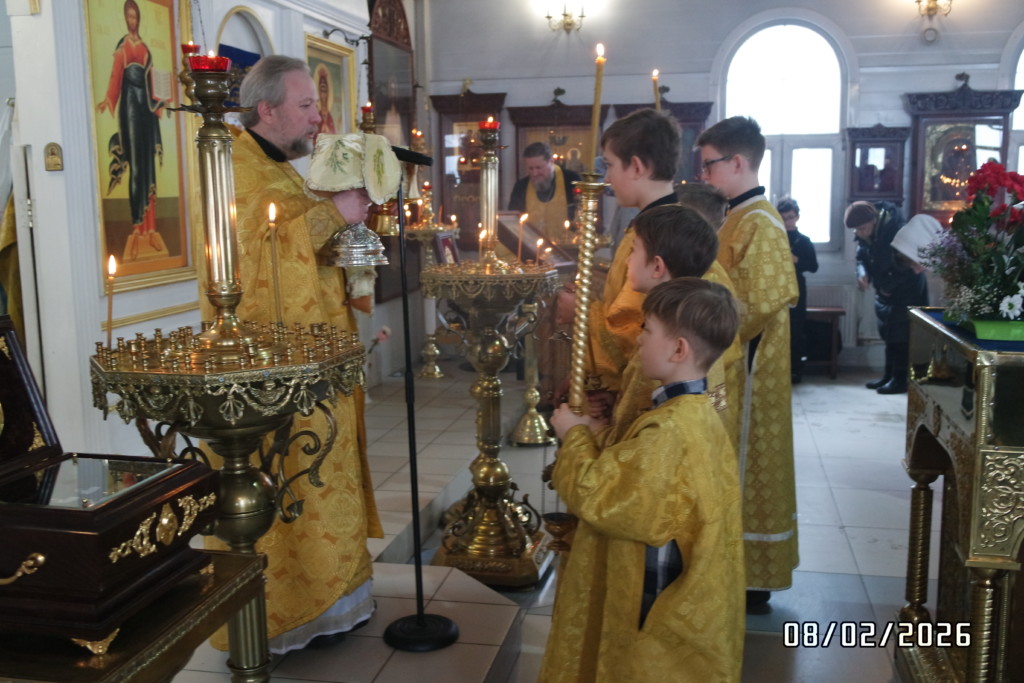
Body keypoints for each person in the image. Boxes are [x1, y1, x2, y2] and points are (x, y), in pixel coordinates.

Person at [206, 55, 385, 654]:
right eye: (306, 105)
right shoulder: (234, 164)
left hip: (316, 353)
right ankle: (285, 618)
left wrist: (345, 225)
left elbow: (298, 239)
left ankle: (336, 600)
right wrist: (333, 214)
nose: (317, 117)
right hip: (274, 363)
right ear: (267, 109)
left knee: (325, 474)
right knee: (293, 476)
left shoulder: (279, 167)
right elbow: (253, 258)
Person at [539, 278, 744, 683]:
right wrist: (597, 433)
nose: (637, 339)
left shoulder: (669, 430)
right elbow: (640, 474)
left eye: (647, 330)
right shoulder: (695, 412)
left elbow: (603, 497)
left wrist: (573, 435)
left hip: (654, 601)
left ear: (678, 349)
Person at [697, 115, 799, 611]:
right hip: (730, 361)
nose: (704, 175)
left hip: (750, 372)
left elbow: (758, 302)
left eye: (709, 165)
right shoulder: (735, 216)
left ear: (737, 162)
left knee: (749, 464)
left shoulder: (760, 221)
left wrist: (699, 322)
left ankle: (751, 578)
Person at [556, 108, 680, 396]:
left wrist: (581, 311)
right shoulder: (661, 224)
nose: (607, 178)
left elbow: (633, 333)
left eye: (610, 166)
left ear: (636, 167)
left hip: (649, 395)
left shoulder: (658, 236)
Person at [97, 0, 169, 263]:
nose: (132, 21)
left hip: (147, 110)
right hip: (130, 108)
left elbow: (154, 81)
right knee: (137, 166)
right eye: (128, 17)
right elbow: (115, 76)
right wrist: (108, 99)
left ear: (139, 18)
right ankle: (137, 228)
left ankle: (151, 229)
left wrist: (163, 99)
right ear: (125, 18)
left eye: (135, 16)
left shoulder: (145, 48)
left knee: (148, 165)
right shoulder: (123, 47)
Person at [845, 200, 928, 395]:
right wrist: (862, 273)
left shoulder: (897, 230)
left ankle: (900, 379)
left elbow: (908, 266)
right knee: (889, 334)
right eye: (856, 230)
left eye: (862, 228)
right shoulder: (866, 233)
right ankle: (888, 375)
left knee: (901, 337)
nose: (859, 233)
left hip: (908, 292)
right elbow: (861, 256)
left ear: (874, 221)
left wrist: (887, 287)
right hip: (885, 291)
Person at [776, 198, 819, 383]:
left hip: (797, 287)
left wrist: (797, 261)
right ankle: (778, 368)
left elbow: (814, 266)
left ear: (797, 217)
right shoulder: (774, 238)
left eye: (790, 217)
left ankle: (795, 369)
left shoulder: (804, 241)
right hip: (777, 287)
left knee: (796, 329)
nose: (787, 222)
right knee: (777, 329)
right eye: (783, 218)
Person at [507, 142, 581, 243]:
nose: (535, 173)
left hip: (567, 247)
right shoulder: (521, 186)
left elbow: (581, 216)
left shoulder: (572, 180)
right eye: (530, 168)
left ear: (551, 162)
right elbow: (514, 221)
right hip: (532, 247)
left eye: (539, 168)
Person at [313, 64, 337, 136]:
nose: (323, 94)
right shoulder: (317, 116)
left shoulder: (329, 117)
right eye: (321, 90)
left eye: (325, 90)